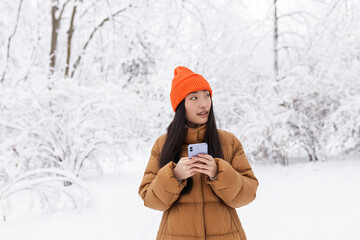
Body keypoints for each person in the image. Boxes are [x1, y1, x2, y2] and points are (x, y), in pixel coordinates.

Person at [138, 66, 259, 240]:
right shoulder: (163, 145)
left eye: (207, 95)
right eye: (194, 97)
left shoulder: (229, 142)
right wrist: (174, 175)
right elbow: (151, 200)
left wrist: (218, 173)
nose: (204, 103)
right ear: (180, 105)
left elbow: (248, 195)